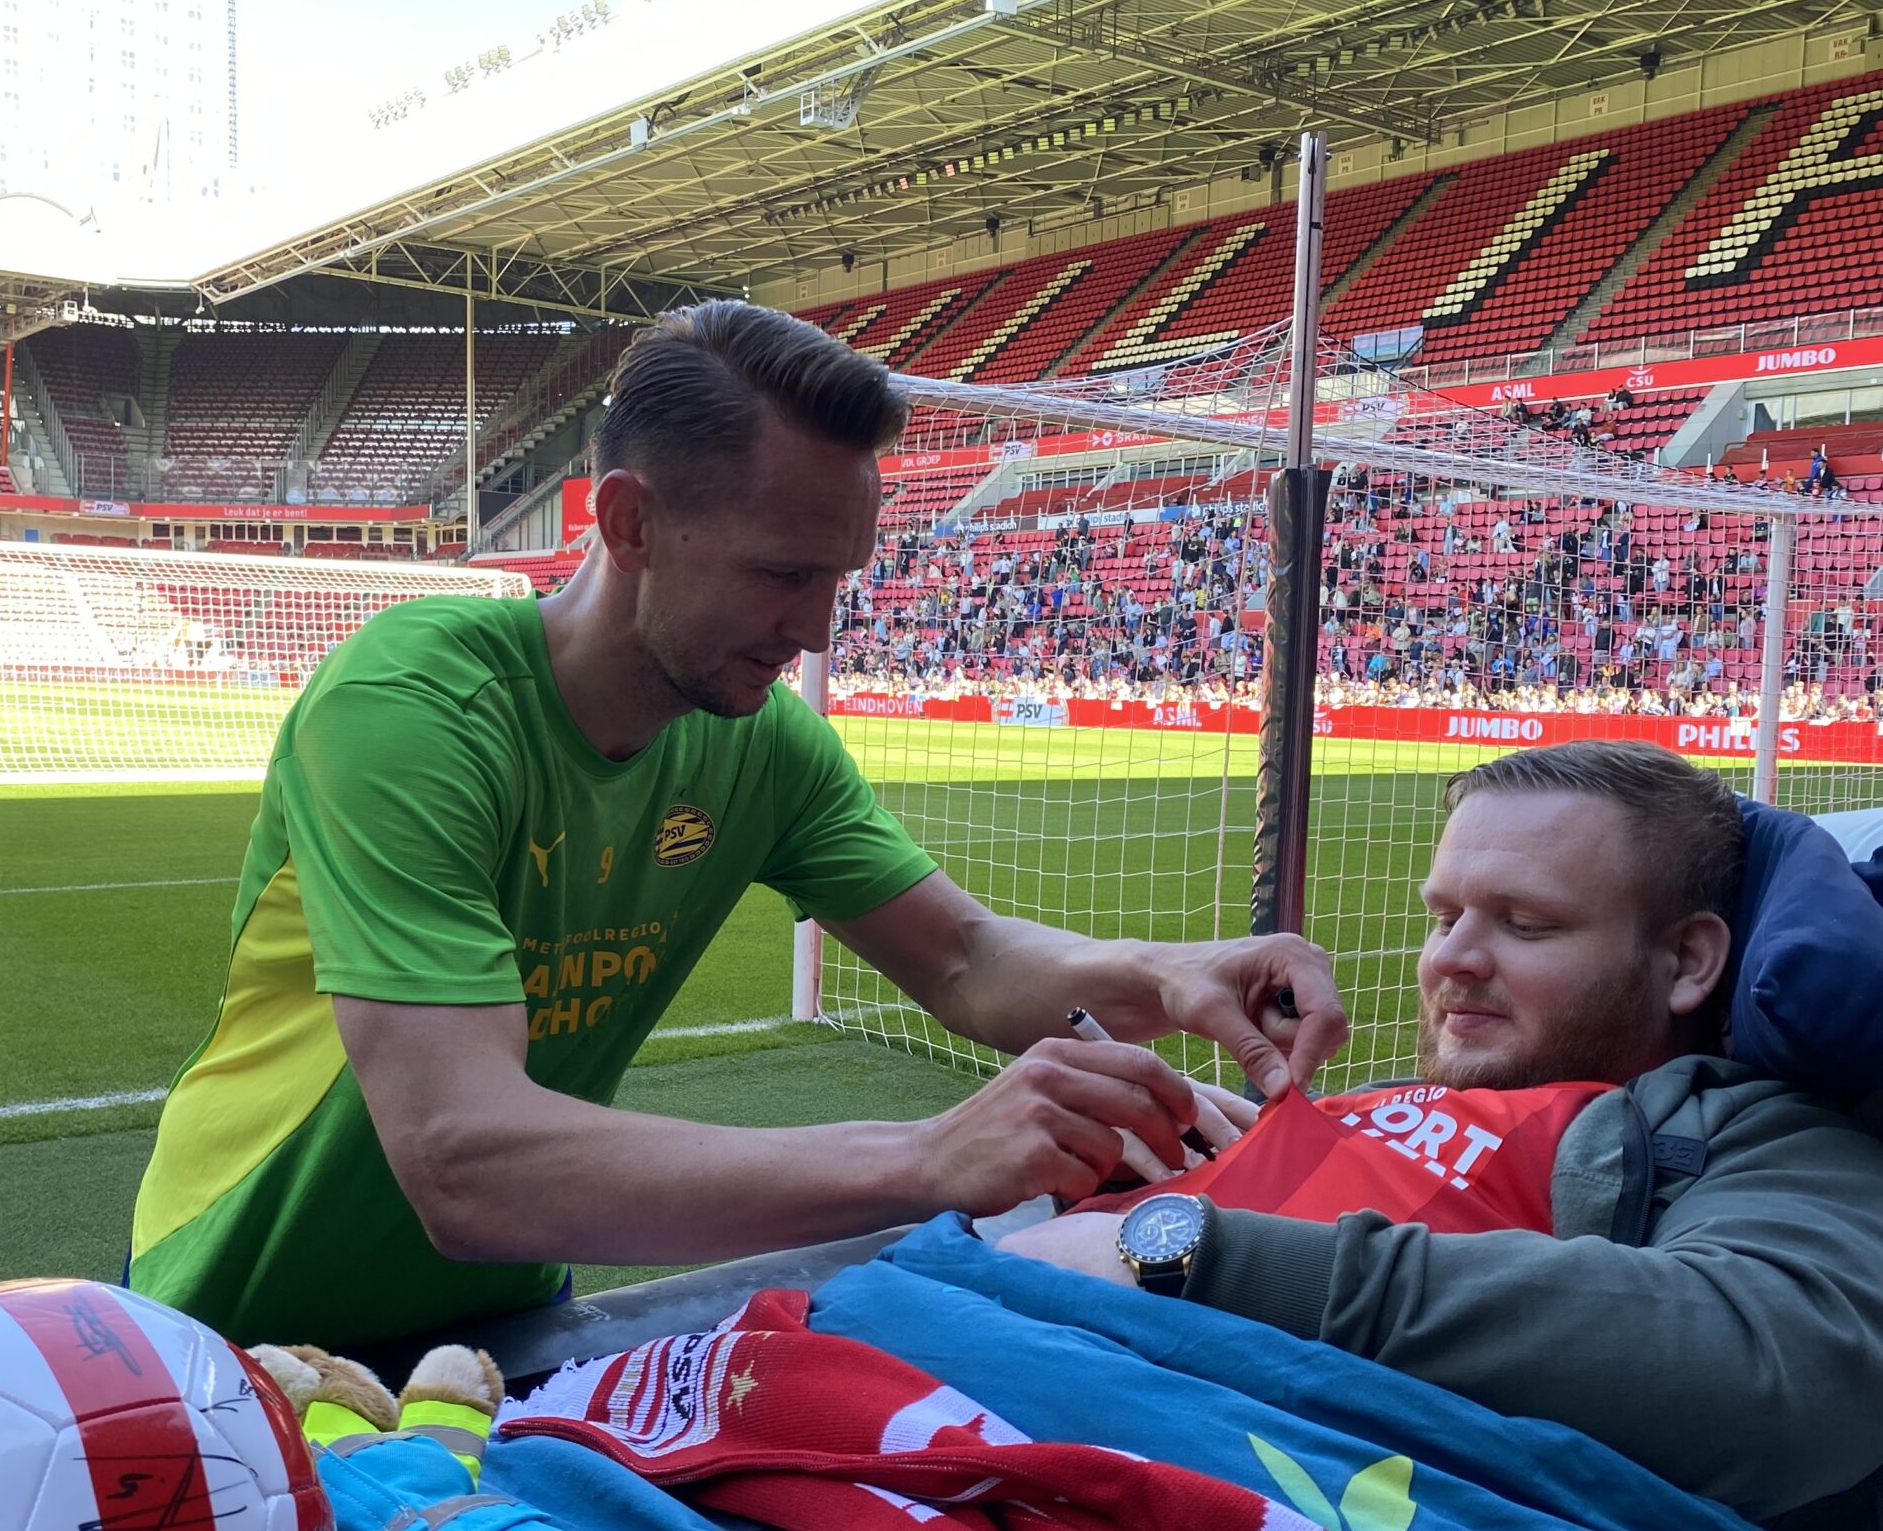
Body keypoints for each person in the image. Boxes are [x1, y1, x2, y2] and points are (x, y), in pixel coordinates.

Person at [130, 302, 1344, 1353]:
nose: (816, 630)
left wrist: (1165, 975)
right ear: (629, 523)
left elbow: (965, 960)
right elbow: (460, 1159)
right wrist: (928, 1158)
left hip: (500, 1311)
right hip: (230, 1311)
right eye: (781, 574)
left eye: (837, 578)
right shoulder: (413, 706)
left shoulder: (759, 741)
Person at [1000, 741, 1883, 1526]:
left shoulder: (1752, 1133)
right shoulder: (1393, 1098)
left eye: (1525, 924)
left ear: (1687, 961)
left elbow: (1792, 1370)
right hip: (1008, 1361)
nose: (1448, 958)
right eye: (1444, 917)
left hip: (1145, 1480)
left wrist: (1183, 1252)